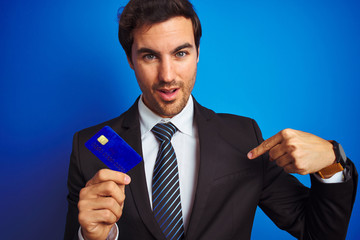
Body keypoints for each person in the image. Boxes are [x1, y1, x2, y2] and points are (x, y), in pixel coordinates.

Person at [64, 0, 358, 239]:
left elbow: (318, 232)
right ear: (130, 59)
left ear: (197, 53)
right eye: (150, 56)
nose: (167, 76)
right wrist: (87, 237)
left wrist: (332, 163)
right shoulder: (88, 147)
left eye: (180, 53)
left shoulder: (245, 137)